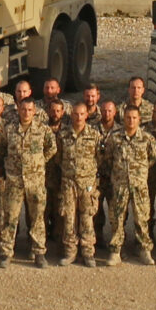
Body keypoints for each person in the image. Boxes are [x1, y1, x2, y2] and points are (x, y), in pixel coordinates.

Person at [0, 100, 55, 267]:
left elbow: (52, 148)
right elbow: (1, 148)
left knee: (37, 217)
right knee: (10, 217)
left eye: (30, 109)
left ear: (34, 110)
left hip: (35, 181)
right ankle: (6, 252)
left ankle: (39, 252)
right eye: (23, 109)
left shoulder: (43, 129)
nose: (26, 112)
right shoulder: (9, 129)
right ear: (18, 110)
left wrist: (39, 162)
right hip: (14, 181)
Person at [103, 106, 156, 266]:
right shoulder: (114, 138)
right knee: (117, 219)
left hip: (139, 186)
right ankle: (116, 251)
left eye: (134, 118)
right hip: (120, 185)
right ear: (123, 118)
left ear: (139, 119)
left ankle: (144, 250)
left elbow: (152, 158)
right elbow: (108, 158)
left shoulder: (147, 139)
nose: (131, 121)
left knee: (142, 218)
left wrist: (139, 174)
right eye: (128, 117)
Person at [55, 102, 106, 267]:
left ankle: (88, 251)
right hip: (68, 183)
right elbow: (58, 157)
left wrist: (89, 175)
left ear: (86, 116)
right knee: (69, 217)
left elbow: (100, 158)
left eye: (82, 114)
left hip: (87, 184)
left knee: (87, 217)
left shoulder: (95, 135)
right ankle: (70, 251)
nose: (78, 117)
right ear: (71, 115)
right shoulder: (63, 135)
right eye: (75, 114)